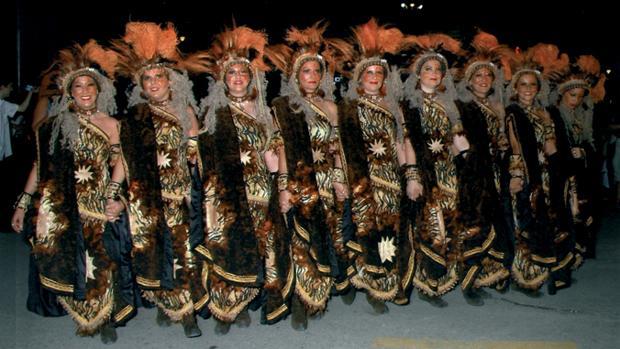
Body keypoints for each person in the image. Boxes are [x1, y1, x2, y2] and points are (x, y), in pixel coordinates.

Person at [10, 40, 132, 343]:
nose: (85, 91)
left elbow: (121, 163)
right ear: (69, 92)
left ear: (98, 89)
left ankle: (104, 318)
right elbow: (40, 166)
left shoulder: (112, 124)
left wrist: (114, 196)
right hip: (64, 208)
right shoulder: (54, 126)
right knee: (73, 262)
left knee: (102, 261)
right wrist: (23, 204)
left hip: (99, 206)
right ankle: (84, 315)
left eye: (90, 85)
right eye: (78, 86)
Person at [112, 21, 206, 338]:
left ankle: (187, 312)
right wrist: (115, 191)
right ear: (141, 83)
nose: (153, 82)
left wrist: (196, 189)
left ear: (170, 80)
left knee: (184, 254)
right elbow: (125, 160)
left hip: (179, 197)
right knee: (154, 253)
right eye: (148, 78)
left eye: (159, 76)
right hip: (146, 200)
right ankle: (169, 304)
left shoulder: (185, 111)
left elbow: (197, 157)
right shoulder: (135, 116)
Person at [196, 24, 287, 335]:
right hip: (227, 193)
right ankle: (226, 308)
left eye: (243, 74)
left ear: (252, 79)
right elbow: (202, 153)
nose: (237, 79)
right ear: (224, 78)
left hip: (260, 191)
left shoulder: (264, 111)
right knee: (229, 247)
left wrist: (275, 160)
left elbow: (275, 149)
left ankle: (249, 301)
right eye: (232, 74)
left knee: (257, 247)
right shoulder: (211, 110)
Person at [266, 21, 352, 330]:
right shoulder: (284, 106)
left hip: (328, 182)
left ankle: (324, 290)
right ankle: (302, 300)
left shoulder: (332, 107)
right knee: (300, 242)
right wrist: (284, 187)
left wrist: (341, 179)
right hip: (299, 184)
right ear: (295, 76)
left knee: (327, 237)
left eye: (317, 71)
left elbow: (337, 146)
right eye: (306, 72)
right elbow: (282, 149)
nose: (312, 77)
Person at [336, 19, 418, 313]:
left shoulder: (394, 107)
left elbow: (402, 144)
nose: (373, 77)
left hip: (391, 181)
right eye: (368, 72)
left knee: (390, 231)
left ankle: (389, 282)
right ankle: (371, 286)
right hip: (363, 180)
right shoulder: (348, 107)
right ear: (359, 78)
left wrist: (411, 177)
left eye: (378, 73)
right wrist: (340, 178)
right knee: (365, 232)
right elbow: (340, 147)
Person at [504, 44, 575, 295]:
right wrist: (515, 175)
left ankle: (549, 273)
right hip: (526, 177)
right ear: (515, 88)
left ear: (538, 88)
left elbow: (554, 148)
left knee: (551, 223)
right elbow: (513, 147)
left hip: (548, 176)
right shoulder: (512, 113)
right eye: (522, 84)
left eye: (532, 85)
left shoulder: (548, 112)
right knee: (527, 223)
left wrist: (547, 128)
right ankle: (526, 278)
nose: (527, 89)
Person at [454, 31, 513, 302]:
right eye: (478, 76)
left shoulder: (499, 106)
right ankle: (470, 280)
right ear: (469, 80)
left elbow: (505, 142)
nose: (484, 80)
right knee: (474, 223)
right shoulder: (461, 106)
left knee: (496, 221)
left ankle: (494, 273)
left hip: (496, 173)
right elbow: (454, 142)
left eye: (488, 76)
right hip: (472, 174)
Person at [550, 54, 606, 262]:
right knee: (564, 214)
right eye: (572, 95)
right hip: (560, 173)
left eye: (580, 96)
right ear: (563, 94)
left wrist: (583, 152)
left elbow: (592, 144)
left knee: (583, 211)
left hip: (581, 174)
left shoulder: (584, 115)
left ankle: (580, 251)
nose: (576, 100)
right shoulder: (553, 114)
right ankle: (566, 254)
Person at [0, 79, 36, 160]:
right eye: (10, 87)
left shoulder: (3, 104)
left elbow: (22, 108)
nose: (11, 89)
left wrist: (30, 92)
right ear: (2, 87)